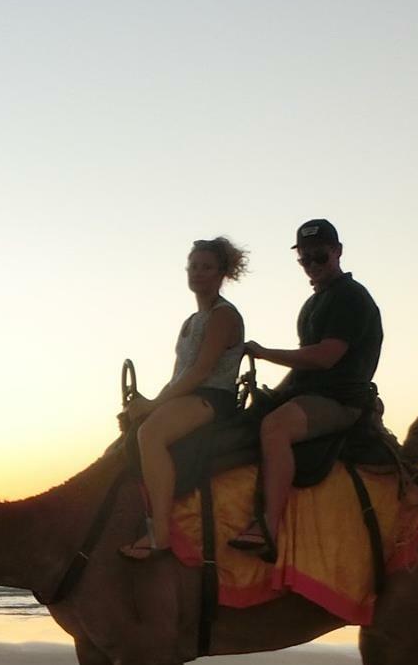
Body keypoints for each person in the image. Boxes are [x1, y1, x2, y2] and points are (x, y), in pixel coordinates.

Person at [230, 220, 382, 561]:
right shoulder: (316, 302)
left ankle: (268, 524)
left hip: (340, 400)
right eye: (305, 259)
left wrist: (264, 353)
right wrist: (274, 394)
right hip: (311, 393)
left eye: (320, 257)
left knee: (275, 428)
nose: (312, 265)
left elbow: (325, 357)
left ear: (338, 252)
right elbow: (304, 366)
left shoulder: (349, 298)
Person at [117, 237, 249, 559]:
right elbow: (181, 375)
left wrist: (153, 406)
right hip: (189, 394)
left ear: (222, 273)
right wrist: (147, 403)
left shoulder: (223, 316)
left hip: (212, 397)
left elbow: (201, 371)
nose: (198, 273)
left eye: (206, 267)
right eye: (193, 266)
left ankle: (160, 535)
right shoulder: (191, 321)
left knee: (150, 435)